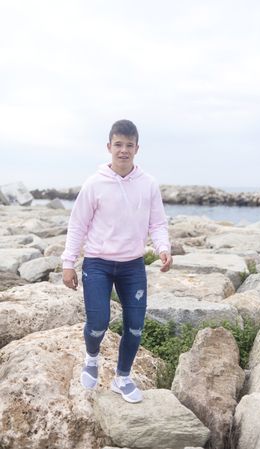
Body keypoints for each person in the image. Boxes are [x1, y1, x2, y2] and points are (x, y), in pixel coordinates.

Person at [61, 119, 172, 403]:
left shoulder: (148, 184)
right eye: (118, 145)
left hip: (132, 266)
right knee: (98, 323)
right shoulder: (94, 183)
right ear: (109, 147)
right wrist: (68, 262)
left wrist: (163, 247)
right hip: (97, 263)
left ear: (137, 148)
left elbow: (157, 223)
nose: (124, 150)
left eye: (129, 145)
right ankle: (92, 357)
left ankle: (122, 378)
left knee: (135, 326)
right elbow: (78, 225)